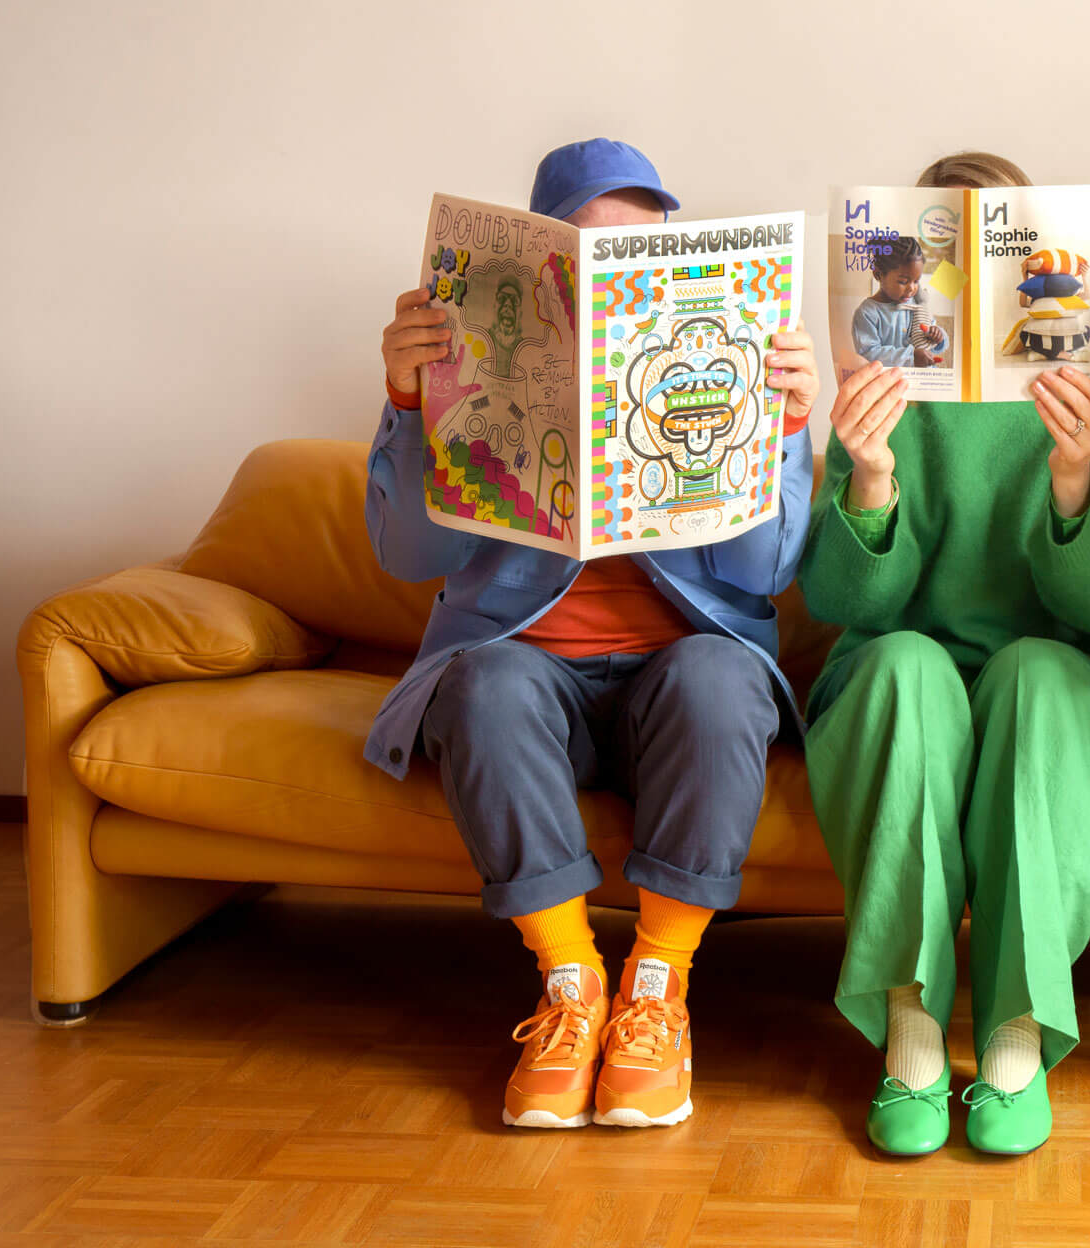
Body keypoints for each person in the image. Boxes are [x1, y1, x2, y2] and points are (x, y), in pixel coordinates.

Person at [365, 138, 820, 1131]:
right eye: (588, 245)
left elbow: (764, 575)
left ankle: (656, 990)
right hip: (532, 683)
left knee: (720, 675)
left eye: (639, 245)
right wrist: (410, 405)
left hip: (679, 682)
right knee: (482, 682)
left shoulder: (728, 360)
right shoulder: (462, 362)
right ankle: (571, 987)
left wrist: (780, 425)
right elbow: (404, 557)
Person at [798, 151, 1090, 1158]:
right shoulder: (881, 389)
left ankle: (1013, 1033)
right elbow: (837, 599)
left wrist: (1080, 476)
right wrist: (870, 474)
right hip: (898, 669)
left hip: (1054, 673)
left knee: (1035, 673)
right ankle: (910, 1030)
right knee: (908, 664)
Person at [851, 234, 945, 367]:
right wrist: (910, 357)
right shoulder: (867, 313)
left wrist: (938, 336)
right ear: (878, 274)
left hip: (924, 381)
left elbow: (930, 331)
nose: (912, 288)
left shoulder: (916, 304)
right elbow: (869, 353)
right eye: (903, 281)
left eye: (916, 281)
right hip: (890, 381)